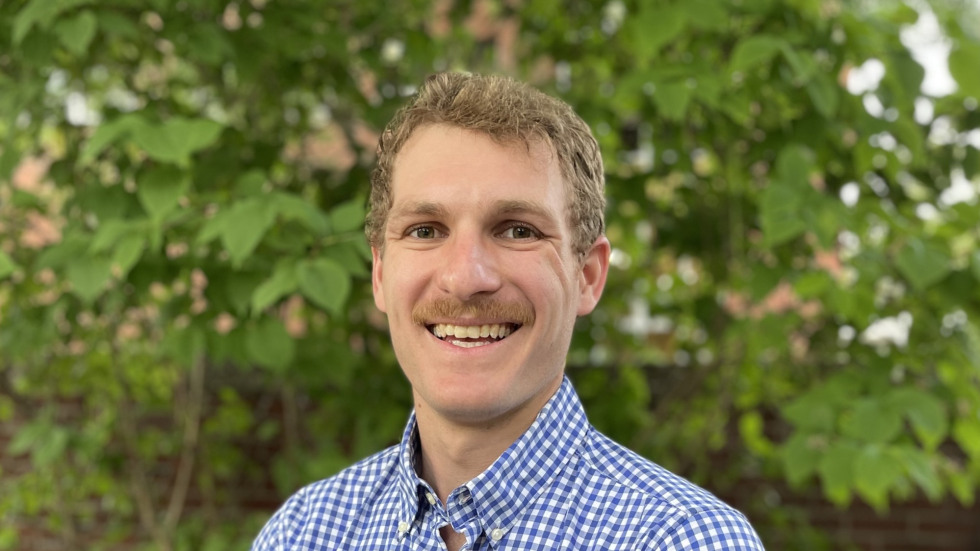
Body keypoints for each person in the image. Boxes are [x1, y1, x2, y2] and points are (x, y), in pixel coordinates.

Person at [251, 72, 765, 550]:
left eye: (518, 230)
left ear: (587, 275)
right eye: (425, 230)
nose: (465, 277)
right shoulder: (305, 533)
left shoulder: (682, 539)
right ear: (381, 273)